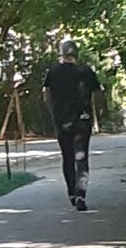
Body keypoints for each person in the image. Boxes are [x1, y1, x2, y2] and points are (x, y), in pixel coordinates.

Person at [40, 37, 106, 209]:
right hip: (83, 119)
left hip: (62, 121)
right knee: (81, 157)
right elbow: (98, 94)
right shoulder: (86, 71)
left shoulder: (53, 72)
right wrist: (99, 113)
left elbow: (46, 95)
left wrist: (54, 112)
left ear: (61, 54)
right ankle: (81, 195)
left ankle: (72, 193)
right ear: (77, 54)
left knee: (67, 157)